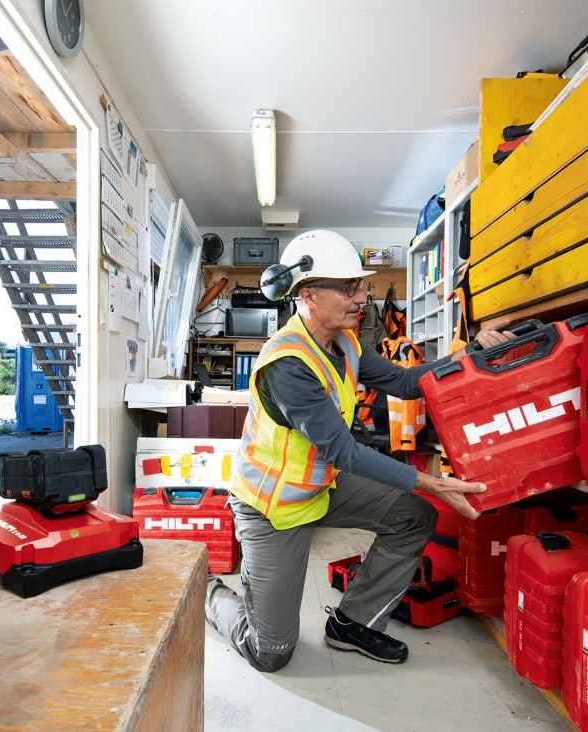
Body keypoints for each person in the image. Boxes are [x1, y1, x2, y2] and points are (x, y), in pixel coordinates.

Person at [205, 229, 515, 672]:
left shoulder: (347, 343)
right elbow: (345, 452)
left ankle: (352, 623)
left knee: (414, 516)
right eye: (349, 288)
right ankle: (208, 592)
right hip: (272, 508)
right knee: (270, 653)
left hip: (319, 486)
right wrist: (434, 483)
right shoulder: (288, 364)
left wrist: (470, 355)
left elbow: (408, 382)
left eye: (361, 286)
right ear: (308, 296)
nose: (362, 298)